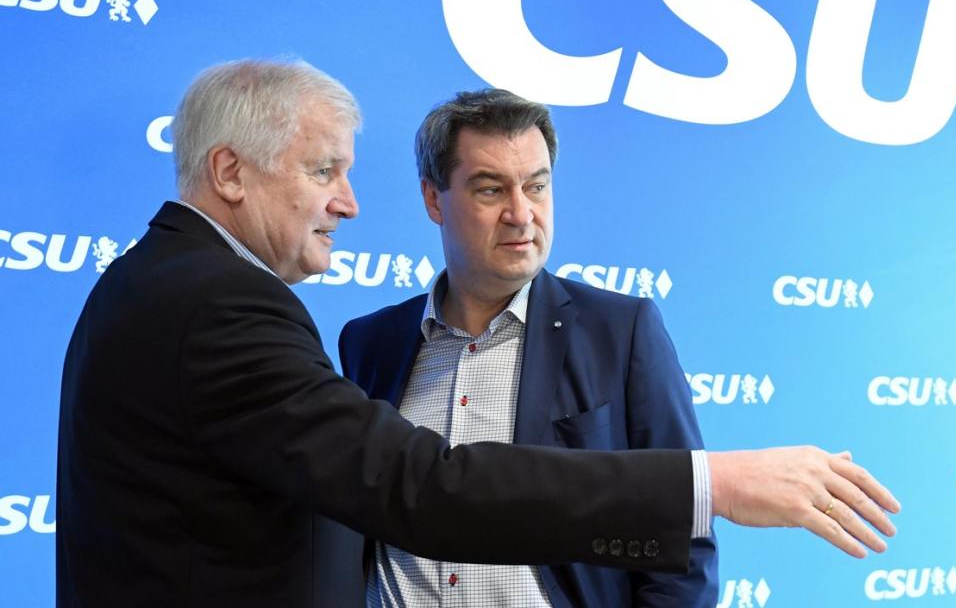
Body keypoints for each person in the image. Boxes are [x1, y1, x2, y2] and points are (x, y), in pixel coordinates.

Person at [56, 59, 901, 607]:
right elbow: (423, 488)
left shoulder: (623, 328)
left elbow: (672, 568)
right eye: (323, 171)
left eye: (538, 184)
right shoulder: (263, 315)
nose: (347, 201)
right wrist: (711, 480)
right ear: (229, 171)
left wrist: (694, 495)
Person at [337, 89, 715, 607]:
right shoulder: (370, 343)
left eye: (536, 186)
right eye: (491, 190)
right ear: (433, 199)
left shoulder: (621, 331)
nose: (521, 214)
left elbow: (682, 541)